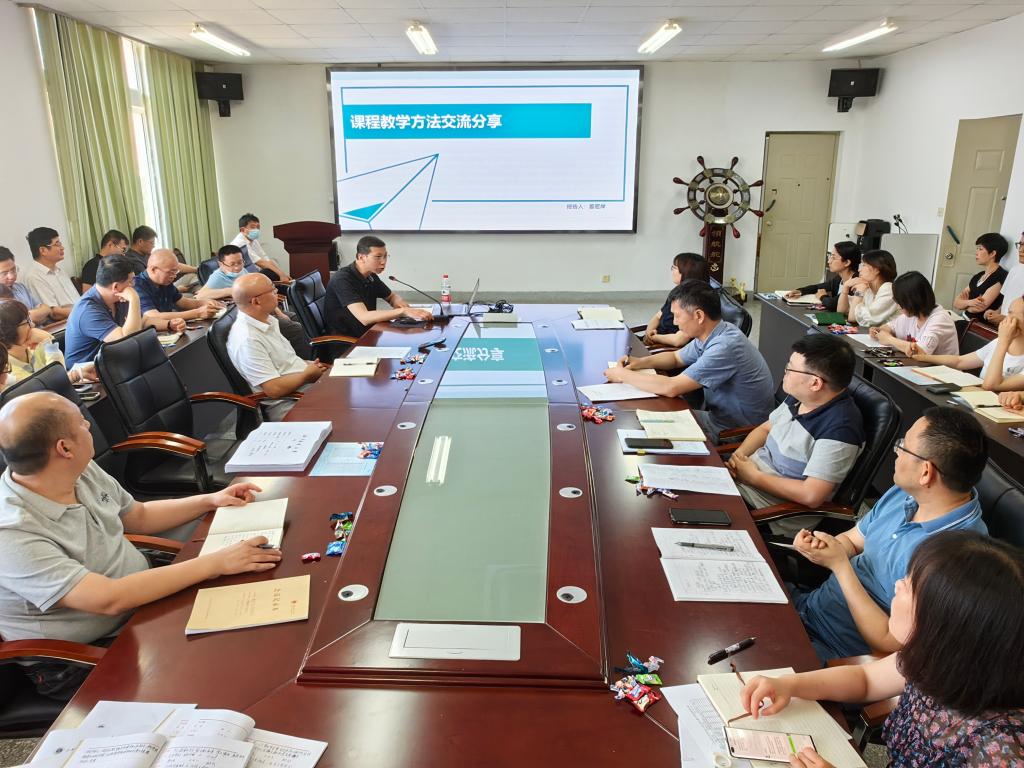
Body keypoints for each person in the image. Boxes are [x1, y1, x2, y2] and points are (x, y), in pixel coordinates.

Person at [0, 392, 281, 698]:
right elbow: (108, 599)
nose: (88, 426)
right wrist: (215, 563)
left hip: (142, 602)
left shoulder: (78, 469)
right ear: (64, 448)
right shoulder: (12, 531)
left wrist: (211, 500)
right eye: (81, 422)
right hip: (84, 653)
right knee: (224, 675)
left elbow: (139, 516)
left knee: (256, 621)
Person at [739, 531, 1024, 768]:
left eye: (910, 586)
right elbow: (865, 679)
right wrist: (790, 684)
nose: (897, 585)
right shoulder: (936, 659)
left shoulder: (1001, 750)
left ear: (944, 626)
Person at [788, 406, 987, 663]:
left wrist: (840, 566)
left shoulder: (956, 556)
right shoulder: (906, 493)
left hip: (838, 654)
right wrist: (822, 546)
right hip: (809, 609)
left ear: (925, 472)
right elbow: (852, 541)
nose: (897, 451)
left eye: (903, 446)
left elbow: (890, 642)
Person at [603, 280, 774, 441]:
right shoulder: (715, 332)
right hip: (718, 418)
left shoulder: (725, 346)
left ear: (699, 316)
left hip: (733, 433)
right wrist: (640, 362)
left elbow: (671, 387)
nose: (675, 322)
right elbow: (675, 358)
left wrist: (622, 375)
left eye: (677, 316)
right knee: (642, 417)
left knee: (642, 424)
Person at [726, 334, 864, 511]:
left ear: (815, 383)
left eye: (790, 369)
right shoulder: (801, 396)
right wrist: (737, 458)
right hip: (743, 482)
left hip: (765, 507)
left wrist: (754, 477)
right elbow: (765, 429)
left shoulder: (841, 428)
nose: (785, 373)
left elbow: (811, 495)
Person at [227, 273, 329, 409]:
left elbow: (286, 362)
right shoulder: (248, 339)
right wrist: (306, 375)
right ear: (256, 301)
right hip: (289, 402)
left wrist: (312, 368)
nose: (277, 292)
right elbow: (274, 389)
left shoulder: (266, 319)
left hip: (305, 385)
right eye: (272, 290)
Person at [63, 255, 178, 367]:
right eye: (131, 281)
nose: (133, 285)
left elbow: (143, 320)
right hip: (87, 373)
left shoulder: (118, 297)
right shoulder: (88, 310)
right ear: (116, 287)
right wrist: (134, 299)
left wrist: (169, 324)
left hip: (112, 362)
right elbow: (127, 342)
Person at [324, 235, 433, 338]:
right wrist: (402, 311)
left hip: (369, 332)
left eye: (385, 256)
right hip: (347, 341)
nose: (383, 262)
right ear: (361, 257)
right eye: (378, 257)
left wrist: (398, 302)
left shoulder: (370, 275)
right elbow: (364, 317)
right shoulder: (342, 279)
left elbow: (391, 297)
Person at [913, 297, 1024, 391]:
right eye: (1009, 312)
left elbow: (991, 385)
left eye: (1015, 316)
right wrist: (924, 357)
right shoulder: (998, 342)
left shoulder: (1002, 342)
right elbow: (960, 361)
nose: (1008, 320)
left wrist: (1003, 341)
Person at [0, 301, 95, 388]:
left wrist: (78, 374)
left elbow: (59, 378)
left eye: (30, 319)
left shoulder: (36, 345)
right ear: (9, 330)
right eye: (27, 321)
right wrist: (49, 344)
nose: (33, 325)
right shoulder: (4, 369)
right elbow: (49, 385)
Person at [869, 271, 959, 356]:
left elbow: (920, 353)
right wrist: (878, 331)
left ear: (912, 301)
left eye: (901, 302)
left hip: (937, 367)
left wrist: (889, 339)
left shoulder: (940, 319)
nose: (898, 307)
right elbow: (889, 327)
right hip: (918, 365)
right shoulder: (914, 314)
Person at [134, 249, 224, 324]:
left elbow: (183, 302)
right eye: (170, 272)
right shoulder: (137, 285)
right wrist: (197, 313)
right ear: (153, 269)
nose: (174, 276)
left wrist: (205, 302)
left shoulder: (165, 282)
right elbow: (154, 316)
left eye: (175, 272)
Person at [640, 252, 709, 347]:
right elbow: (658, 315)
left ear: (687, 272)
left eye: (674, 268)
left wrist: (654, 337)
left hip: (666, 348)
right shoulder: (678, 291)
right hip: (654, 341)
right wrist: (648, 333)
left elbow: (679, 340)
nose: (672, 271)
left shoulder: (697, 300)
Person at [786, 241, 862, 312]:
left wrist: (822, 296)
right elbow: (817, 287)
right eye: (830, 256)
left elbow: (833, 304)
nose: (829, 261)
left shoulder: (856, 282)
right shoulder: (839, 278)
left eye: (833, 258)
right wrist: (800, 291)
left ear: (847, 262)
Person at [23, 227, 79, 318]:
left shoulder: (59, 270)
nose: (62, 248)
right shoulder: (34, 277)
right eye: (57, 244)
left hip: (80, 316)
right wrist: (83, 312)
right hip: (66, 322)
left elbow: (77, 301)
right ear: (43, 250)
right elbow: (55, 313)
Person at [836, 249, 899, 327]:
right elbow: (841, 311)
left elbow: (852, 319)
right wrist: (845, 288)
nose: (859, 270)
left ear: (876, 270)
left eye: (864, 265)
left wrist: (859, 292)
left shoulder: (888, 290)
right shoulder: (869, 289)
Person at [954, 232, 1008, 321]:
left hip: (975, 324)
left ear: (992, 253)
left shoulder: (1000, 276)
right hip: (963, 317)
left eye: (980, 249)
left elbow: (978, 308)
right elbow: (956, 303)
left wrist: (964, 304)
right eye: (977, 249)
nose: (976, 253)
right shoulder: (978, 276)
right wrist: (970, 302)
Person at [0, 245, 57, 325]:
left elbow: (46, 309)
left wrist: (30, 318)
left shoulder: (21, 287)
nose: (11, 276)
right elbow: (18, 324)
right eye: (4, 273)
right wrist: (35, 316)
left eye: (13, 269)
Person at [230, 213, 292, 282]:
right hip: (240, 278)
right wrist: (281, 275)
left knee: (271, 272)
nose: (256, 230)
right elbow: (260, 262)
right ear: (242, 230)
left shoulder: (254, 241)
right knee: (268, 273)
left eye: (258, 227)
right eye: (253, 227)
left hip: (252, 274)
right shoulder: (239, 243)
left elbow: (266, 260)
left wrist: (282, 274)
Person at [984, 231, 1024, 325]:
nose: (1021, 249)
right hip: (1002, 327)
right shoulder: (1015, 270)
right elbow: (1006, 301)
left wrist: (1005, 319)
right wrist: (996, 312)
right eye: (1020, 244)